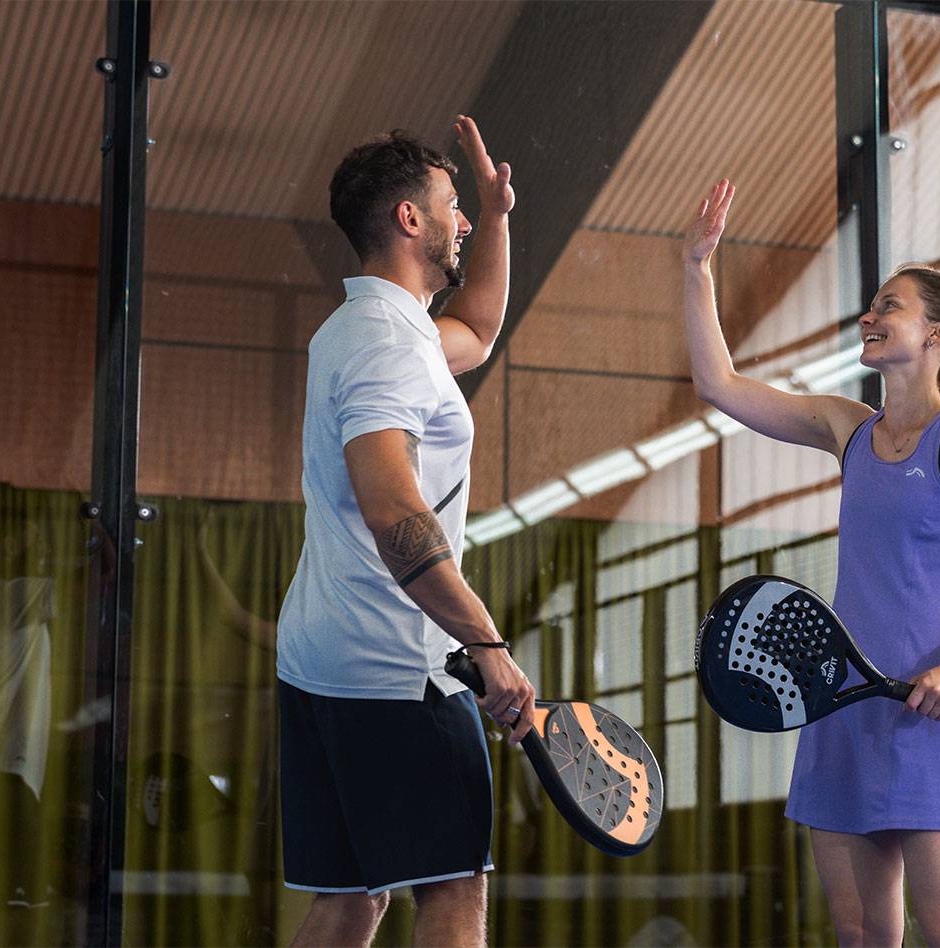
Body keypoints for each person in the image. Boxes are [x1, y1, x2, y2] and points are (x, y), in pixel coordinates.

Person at [683, 180, 940, 946]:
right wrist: (698, 269)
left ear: (938, 332)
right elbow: (719, 384)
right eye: (872, 307)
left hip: (932, 715)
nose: (869, 318)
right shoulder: (847, 429)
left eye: (889, 306)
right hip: (841, 713)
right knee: (860, 938)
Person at [276, 116, 535, 948]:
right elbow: (395, 513)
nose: (460, 219)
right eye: (452, 204)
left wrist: (495, 216)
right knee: (454, 892)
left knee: (351, 897)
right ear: (408, 220)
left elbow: (483, 328)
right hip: (398, 667)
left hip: (319, 661)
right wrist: (486, 643)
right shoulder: (389, 346)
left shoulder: (368, 331)